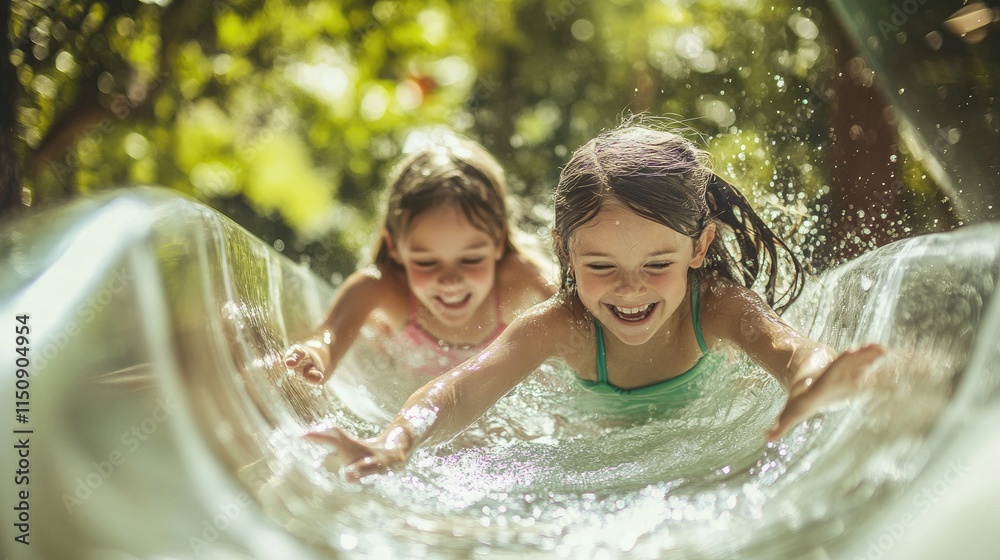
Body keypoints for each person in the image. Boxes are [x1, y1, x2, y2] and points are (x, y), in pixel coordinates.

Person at [306, 124, 886, 480]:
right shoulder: (561, 327)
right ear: (564, 252)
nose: (629, 288)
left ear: (699, 246)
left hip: (704, 441)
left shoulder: (718, 308)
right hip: (599, 444)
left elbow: (789, 348)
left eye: (657, 264)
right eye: (600, 266)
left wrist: (811, 377)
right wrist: (396, 440)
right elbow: (459, 388)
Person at [284, 131, 555, 384]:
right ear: (394, 249)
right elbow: (329, 335)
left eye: (471, 260)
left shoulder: (516, 279)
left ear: (497, 243)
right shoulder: (384, 289)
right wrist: (315, 354)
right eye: (426, 262)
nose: (450, 280)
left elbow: (577, 312)